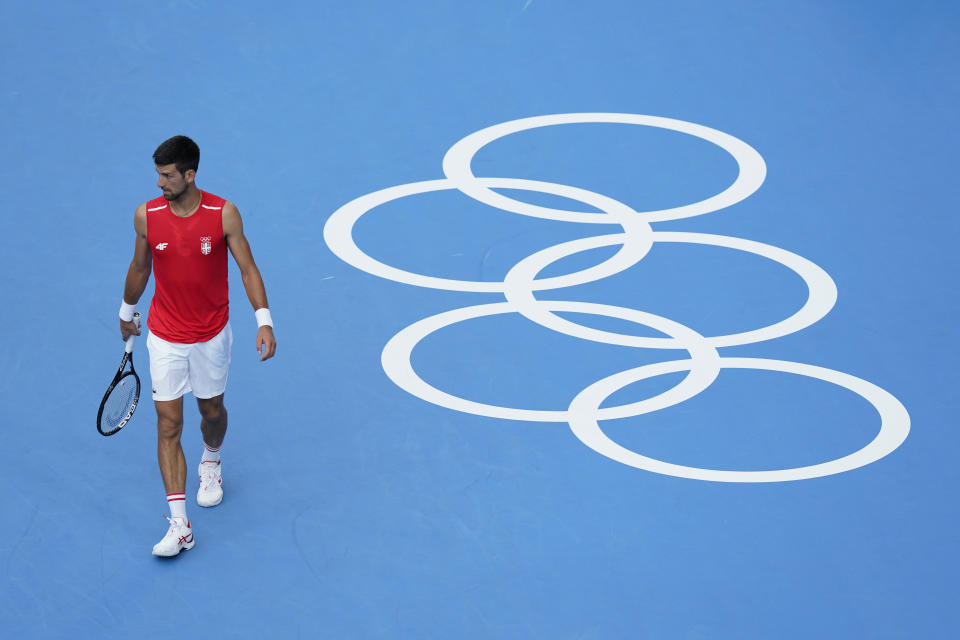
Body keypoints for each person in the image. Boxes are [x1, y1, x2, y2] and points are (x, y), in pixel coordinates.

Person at [118, 135, 276, 557]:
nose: (159, 184)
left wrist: (264, 321)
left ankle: (211, 457)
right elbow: (140, 265)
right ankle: (180, 525)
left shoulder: (222, 214)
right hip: (165, 334)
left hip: (211, 334)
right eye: (158, 174)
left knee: (211, 412)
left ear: (190, 175)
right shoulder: (147, 216)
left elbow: (247, 268)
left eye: (168, 176)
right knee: (168, 425)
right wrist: (126, 309)